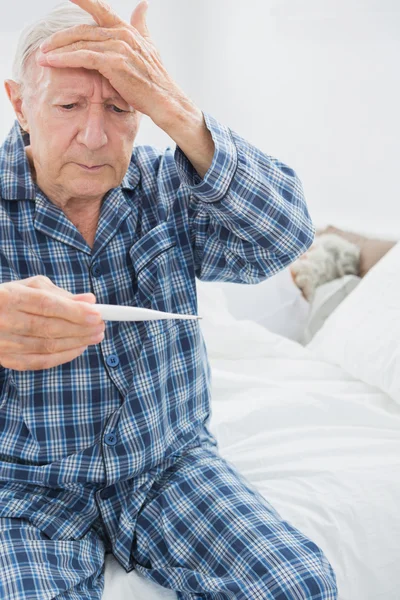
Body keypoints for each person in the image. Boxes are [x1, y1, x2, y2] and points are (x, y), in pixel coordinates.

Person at [0, 1, 338, 598]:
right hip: (25, 490)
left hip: (168, 466)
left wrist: (177, 110)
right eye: (69, 106)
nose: (95, 135)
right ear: (21, 104)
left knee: (299, 583)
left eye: (121, 106)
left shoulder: (168, 184)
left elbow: (287, 235)